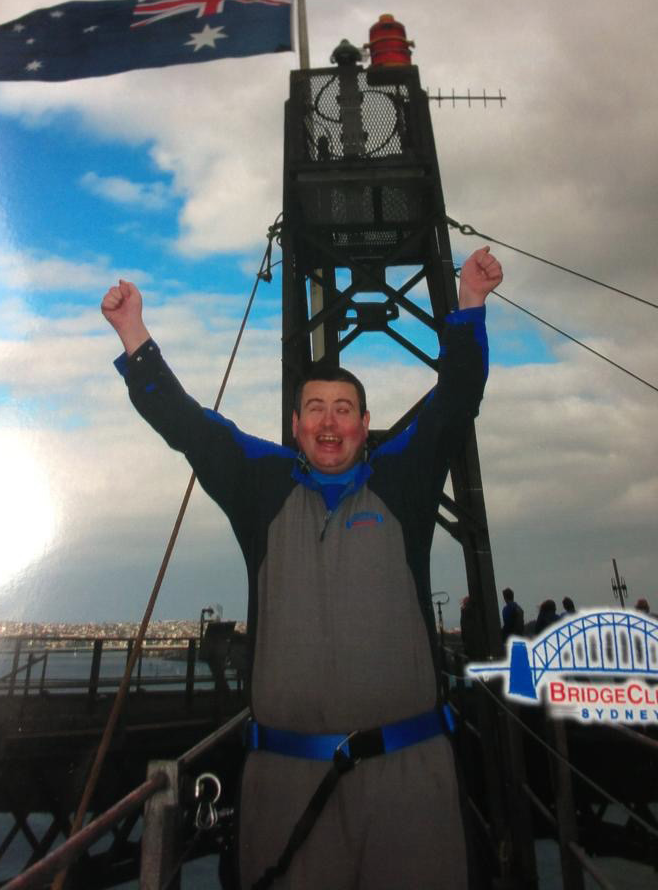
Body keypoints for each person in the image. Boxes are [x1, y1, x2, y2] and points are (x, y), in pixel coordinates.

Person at [102, 245, 503, 890]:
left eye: (344, 409)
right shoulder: (259, 489)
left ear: (366, 425)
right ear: (295, 426)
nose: (329, 421)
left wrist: (471, 306)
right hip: (285, 785)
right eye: (315, 408)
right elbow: (190, 428)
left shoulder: (404, 481)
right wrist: (133, 334)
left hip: (412, 781)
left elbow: (456, 400)